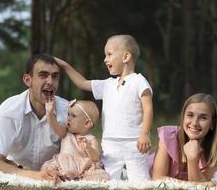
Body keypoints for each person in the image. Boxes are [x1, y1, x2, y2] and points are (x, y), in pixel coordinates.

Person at [54, 34, 153, 181]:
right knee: (108, 180)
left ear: (126, 57)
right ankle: (121, 177)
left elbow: (148, 109)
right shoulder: (108, 84)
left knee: (140, 181)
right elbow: (82, 83)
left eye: (109, 54)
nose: (105, 59)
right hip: (110, 144)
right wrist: (64, 66)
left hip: (134, 142)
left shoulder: (139, 81)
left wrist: (144, 134)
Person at [0, 54, 68, 181]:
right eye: (43, 75)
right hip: (18, 169)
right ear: (27, 80)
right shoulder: (10, 110)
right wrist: (35, 176)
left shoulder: (68, 111)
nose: (50, 82)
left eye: (55, 76)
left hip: (56, 174)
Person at [151, 93, 217, 185]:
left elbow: (203, 184)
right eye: (190, 115)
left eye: (203, 118)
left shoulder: (216, 143)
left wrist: (192, 159)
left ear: (212, 123)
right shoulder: (168, 136)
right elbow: (157, 179)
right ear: (183, 117)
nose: (195, 123)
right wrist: (192, 184)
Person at [41, 99, 110, 181]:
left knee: (98, 176)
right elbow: (54, 124)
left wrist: (88, 147)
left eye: (73, 116)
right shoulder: (66, 133)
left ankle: (82, 181)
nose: (68, 118)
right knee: (49, 171)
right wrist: (49, 113)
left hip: (83, 168)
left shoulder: (90, 139)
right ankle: (60, 178)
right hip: (64, 166)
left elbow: (96, 158)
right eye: (68, 115)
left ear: (87, 123)